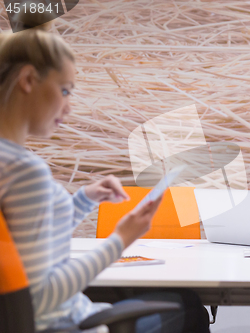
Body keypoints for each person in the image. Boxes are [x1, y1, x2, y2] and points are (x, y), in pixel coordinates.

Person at [0, 23, 208, 333]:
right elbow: (38, 298)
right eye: (65, 90)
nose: (68, 107)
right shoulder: (26, 171)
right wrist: (121, 239)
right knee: (189, 307)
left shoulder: (9, 163)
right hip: (67, 324)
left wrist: (84, 200)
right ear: (29, 80)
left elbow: (34, 242)